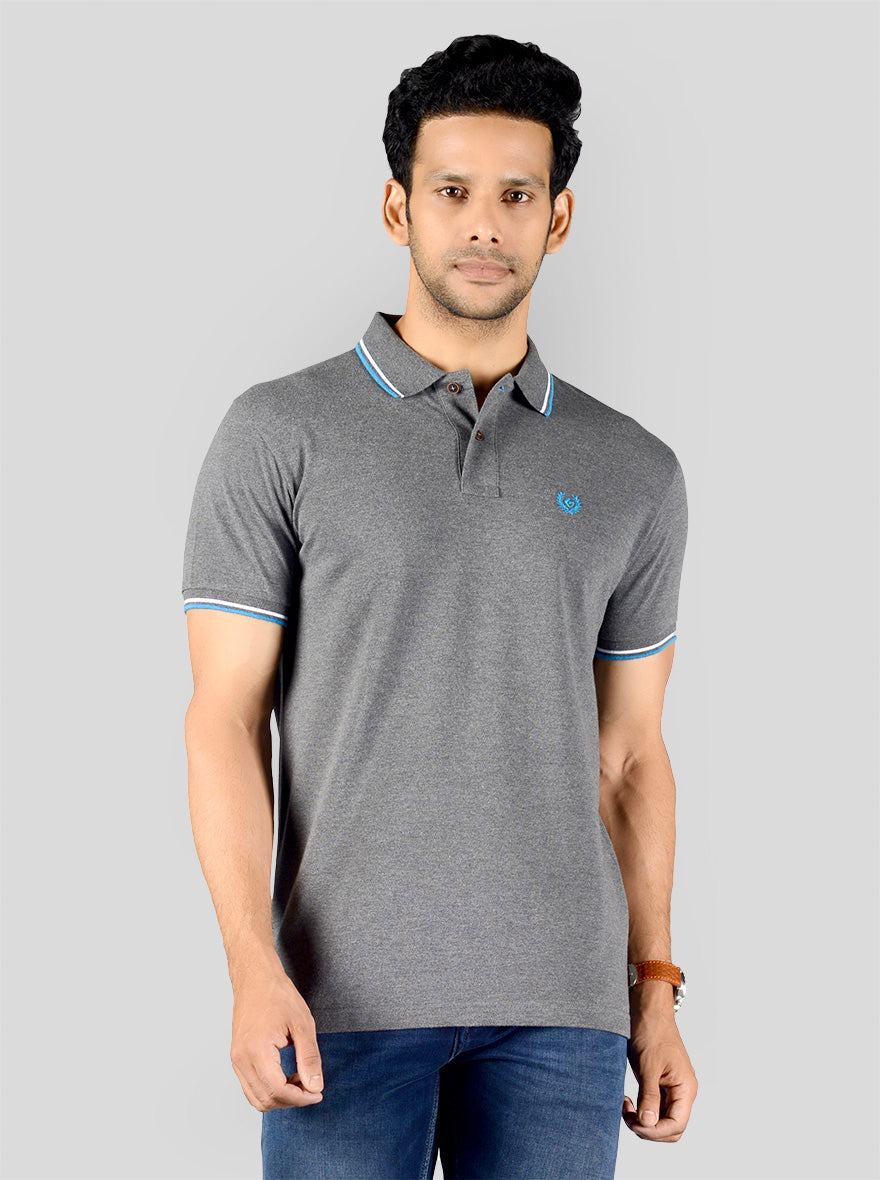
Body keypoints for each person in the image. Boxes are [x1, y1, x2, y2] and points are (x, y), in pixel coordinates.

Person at [181, 32, 698, 1180]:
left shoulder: (634, 468)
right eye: (452, 190)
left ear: (557, 218)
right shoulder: (281, 433)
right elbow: (224, 718)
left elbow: (630, 756)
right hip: (341, 1002)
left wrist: (654, 990)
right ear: (396, 205)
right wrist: (251, 965)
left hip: (563, 1014)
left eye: (516, 195)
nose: (483, 224)